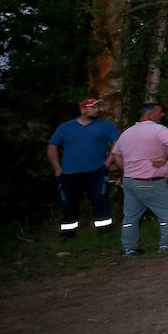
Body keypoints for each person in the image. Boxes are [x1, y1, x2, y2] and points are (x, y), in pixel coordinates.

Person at [109, 102, 168, 256]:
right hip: (150, 181)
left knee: (131, 216)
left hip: (129, 181)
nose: (162, 115)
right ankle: (167, 244)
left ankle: (129, 248)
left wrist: (126, 169)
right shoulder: (158, 129)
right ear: (151, 114)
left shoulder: (127, 132)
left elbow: (115, 153)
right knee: (167, 212)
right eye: (160, 112)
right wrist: (164, 158)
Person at [46, 98, 120, 238]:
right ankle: (68, 234)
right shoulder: (66, 127)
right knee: (69, 203)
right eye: (93, 107)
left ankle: (105, 232)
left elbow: (118, 142)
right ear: (83, 109)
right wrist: (57, 167)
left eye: (97, 107)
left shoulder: (104, 125)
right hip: (69, 173)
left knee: (100, 200)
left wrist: (108, 162)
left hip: (96, 171)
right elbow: (52, 146)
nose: (96, 110)